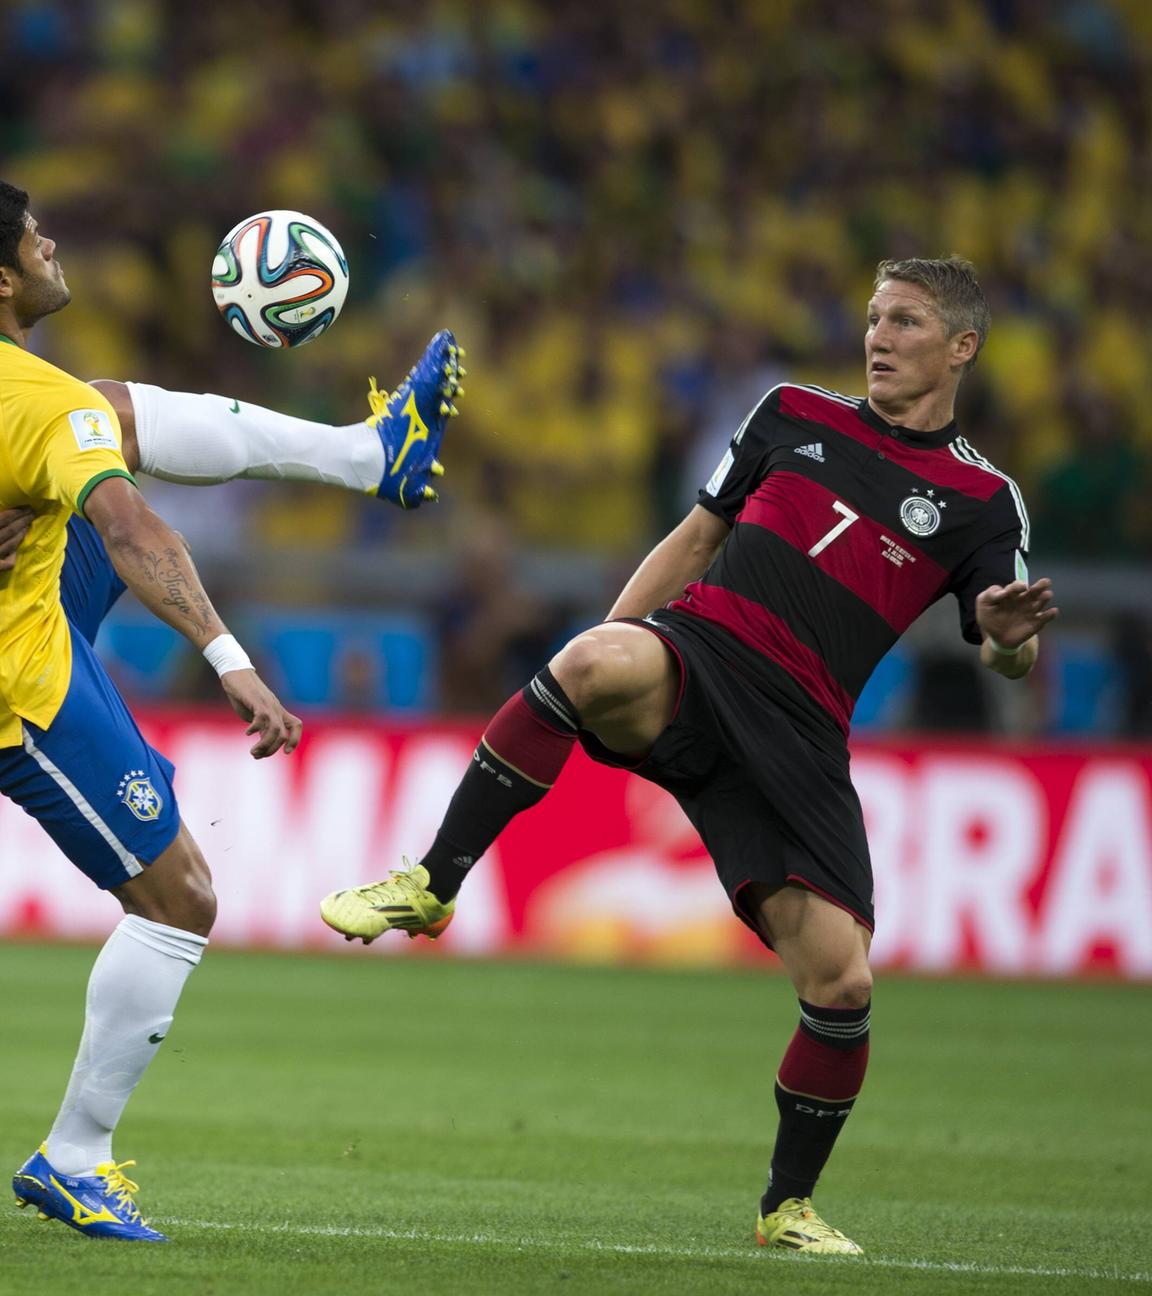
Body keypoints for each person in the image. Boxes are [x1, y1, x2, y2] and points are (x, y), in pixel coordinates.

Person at [320, 255, 1058, 1256]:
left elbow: (1008, 656)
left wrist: (1009, 636)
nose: (881, 336)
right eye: (876, 315)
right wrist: (604, 658)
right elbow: (696, 537)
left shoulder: (982, 500)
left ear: (962, 346)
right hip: (700, 659)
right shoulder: (792, 411)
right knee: (586, 660)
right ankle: (431, 882)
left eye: (909, 321)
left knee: (841, 986)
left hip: (800, 733)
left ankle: (786, 1208)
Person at [0, 180, 461, 1243]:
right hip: (17, 684)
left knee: (110, 409)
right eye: (33, 239)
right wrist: (229, 656)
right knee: (181, 899)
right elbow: (135, 533)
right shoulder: (36, 405)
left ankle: (364, 454)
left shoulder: (44, 400)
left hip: (33, 588)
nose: (52, 242)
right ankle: (73, 1156)